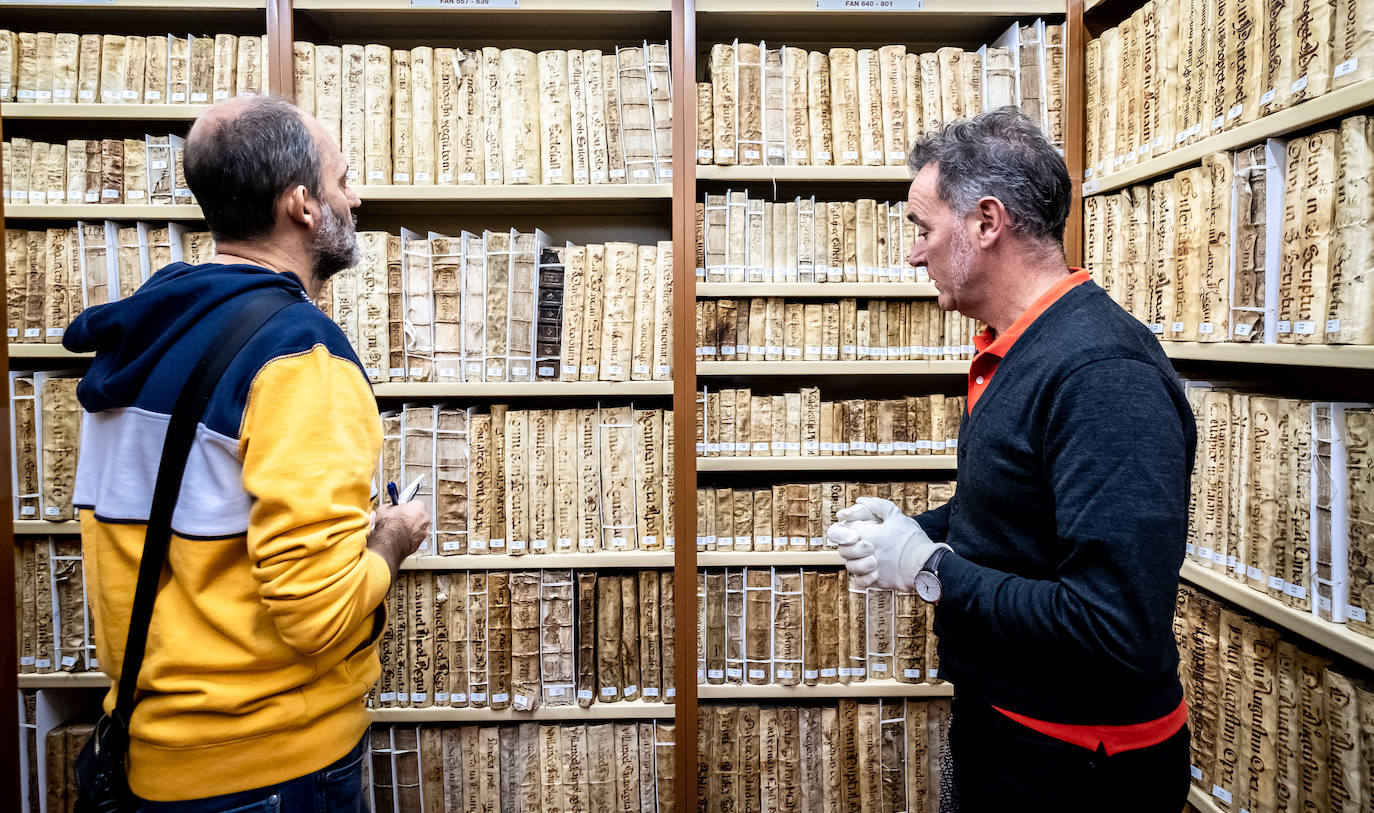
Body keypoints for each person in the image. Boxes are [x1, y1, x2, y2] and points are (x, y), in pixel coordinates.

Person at [63, 96, 429, 810]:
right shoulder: (298, 358)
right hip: (270, 768)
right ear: (301, 205)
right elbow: (317, 616)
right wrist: (390, 540)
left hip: (153, 755)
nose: (354, 197)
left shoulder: (145, 336)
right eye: (342, 179)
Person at [828, 108, 1196, 812]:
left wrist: (930, 569)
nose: (914, 254)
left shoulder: (1101, 373)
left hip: (1081, 763)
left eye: (923, 228)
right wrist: (918, 530)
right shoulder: (1021, 345)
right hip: (1013, 731)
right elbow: (1019, 519)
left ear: (986, 222)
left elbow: (1113, 621)